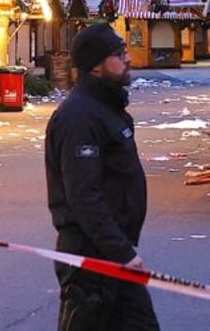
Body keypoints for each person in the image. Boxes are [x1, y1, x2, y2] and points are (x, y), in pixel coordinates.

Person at [45, 22, 160, 330]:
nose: (129, 59)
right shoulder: (79, 117)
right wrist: (120, 251)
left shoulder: (106, 108)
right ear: (96, 67)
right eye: (119, 54)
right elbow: (84, 197)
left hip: (113, 252)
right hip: (91, 259)